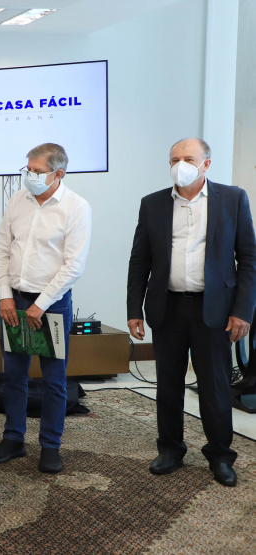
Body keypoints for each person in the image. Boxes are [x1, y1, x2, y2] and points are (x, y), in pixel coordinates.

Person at [127, 137, 256, 487]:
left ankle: (220, 455)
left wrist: (243, 311)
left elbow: (248, 260)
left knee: (215, 386)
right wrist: (133, 309)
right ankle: (170, 450)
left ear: (206, 164)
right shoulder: (152, 204)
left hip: (213, 309)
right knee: (168, 385)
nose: (179, 165)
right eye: (173, 159)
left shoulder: (232, 199)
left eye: (187, 158)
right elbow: (140, 260)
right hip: (166, 307)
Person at [0, 143, 91, 474]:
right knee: (13, 375)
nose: (30, 176)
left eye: (37, 171)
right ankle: (14, 438)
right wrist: (4, 294)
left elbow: (73, 265)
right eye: (28, 169)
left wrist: (42, 303)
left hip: (53, 304)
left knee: (54, 379)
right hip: (14, 301)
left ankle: (50, 445)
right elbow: (2, 247)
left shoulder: (76, 207)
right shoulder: (19, 200)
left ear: (58, 173)